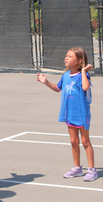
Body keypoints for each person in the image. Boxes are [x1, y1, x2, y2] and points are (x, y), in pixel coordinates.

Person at [37, 47, 97, 181]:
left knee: (85, 141)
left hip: (81, 114)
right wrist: (45, 82)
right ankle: (77, 168)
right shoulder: (65, 75)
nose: (66, 58)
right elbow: (58, 88)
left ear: (79, 60)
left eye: (70, 56)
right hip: (69, 114)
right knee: (73, 141)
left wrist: (83, 71)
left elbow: (86, 87)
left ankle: (92, 170)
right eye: (66, 56)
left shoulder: (83, 75)